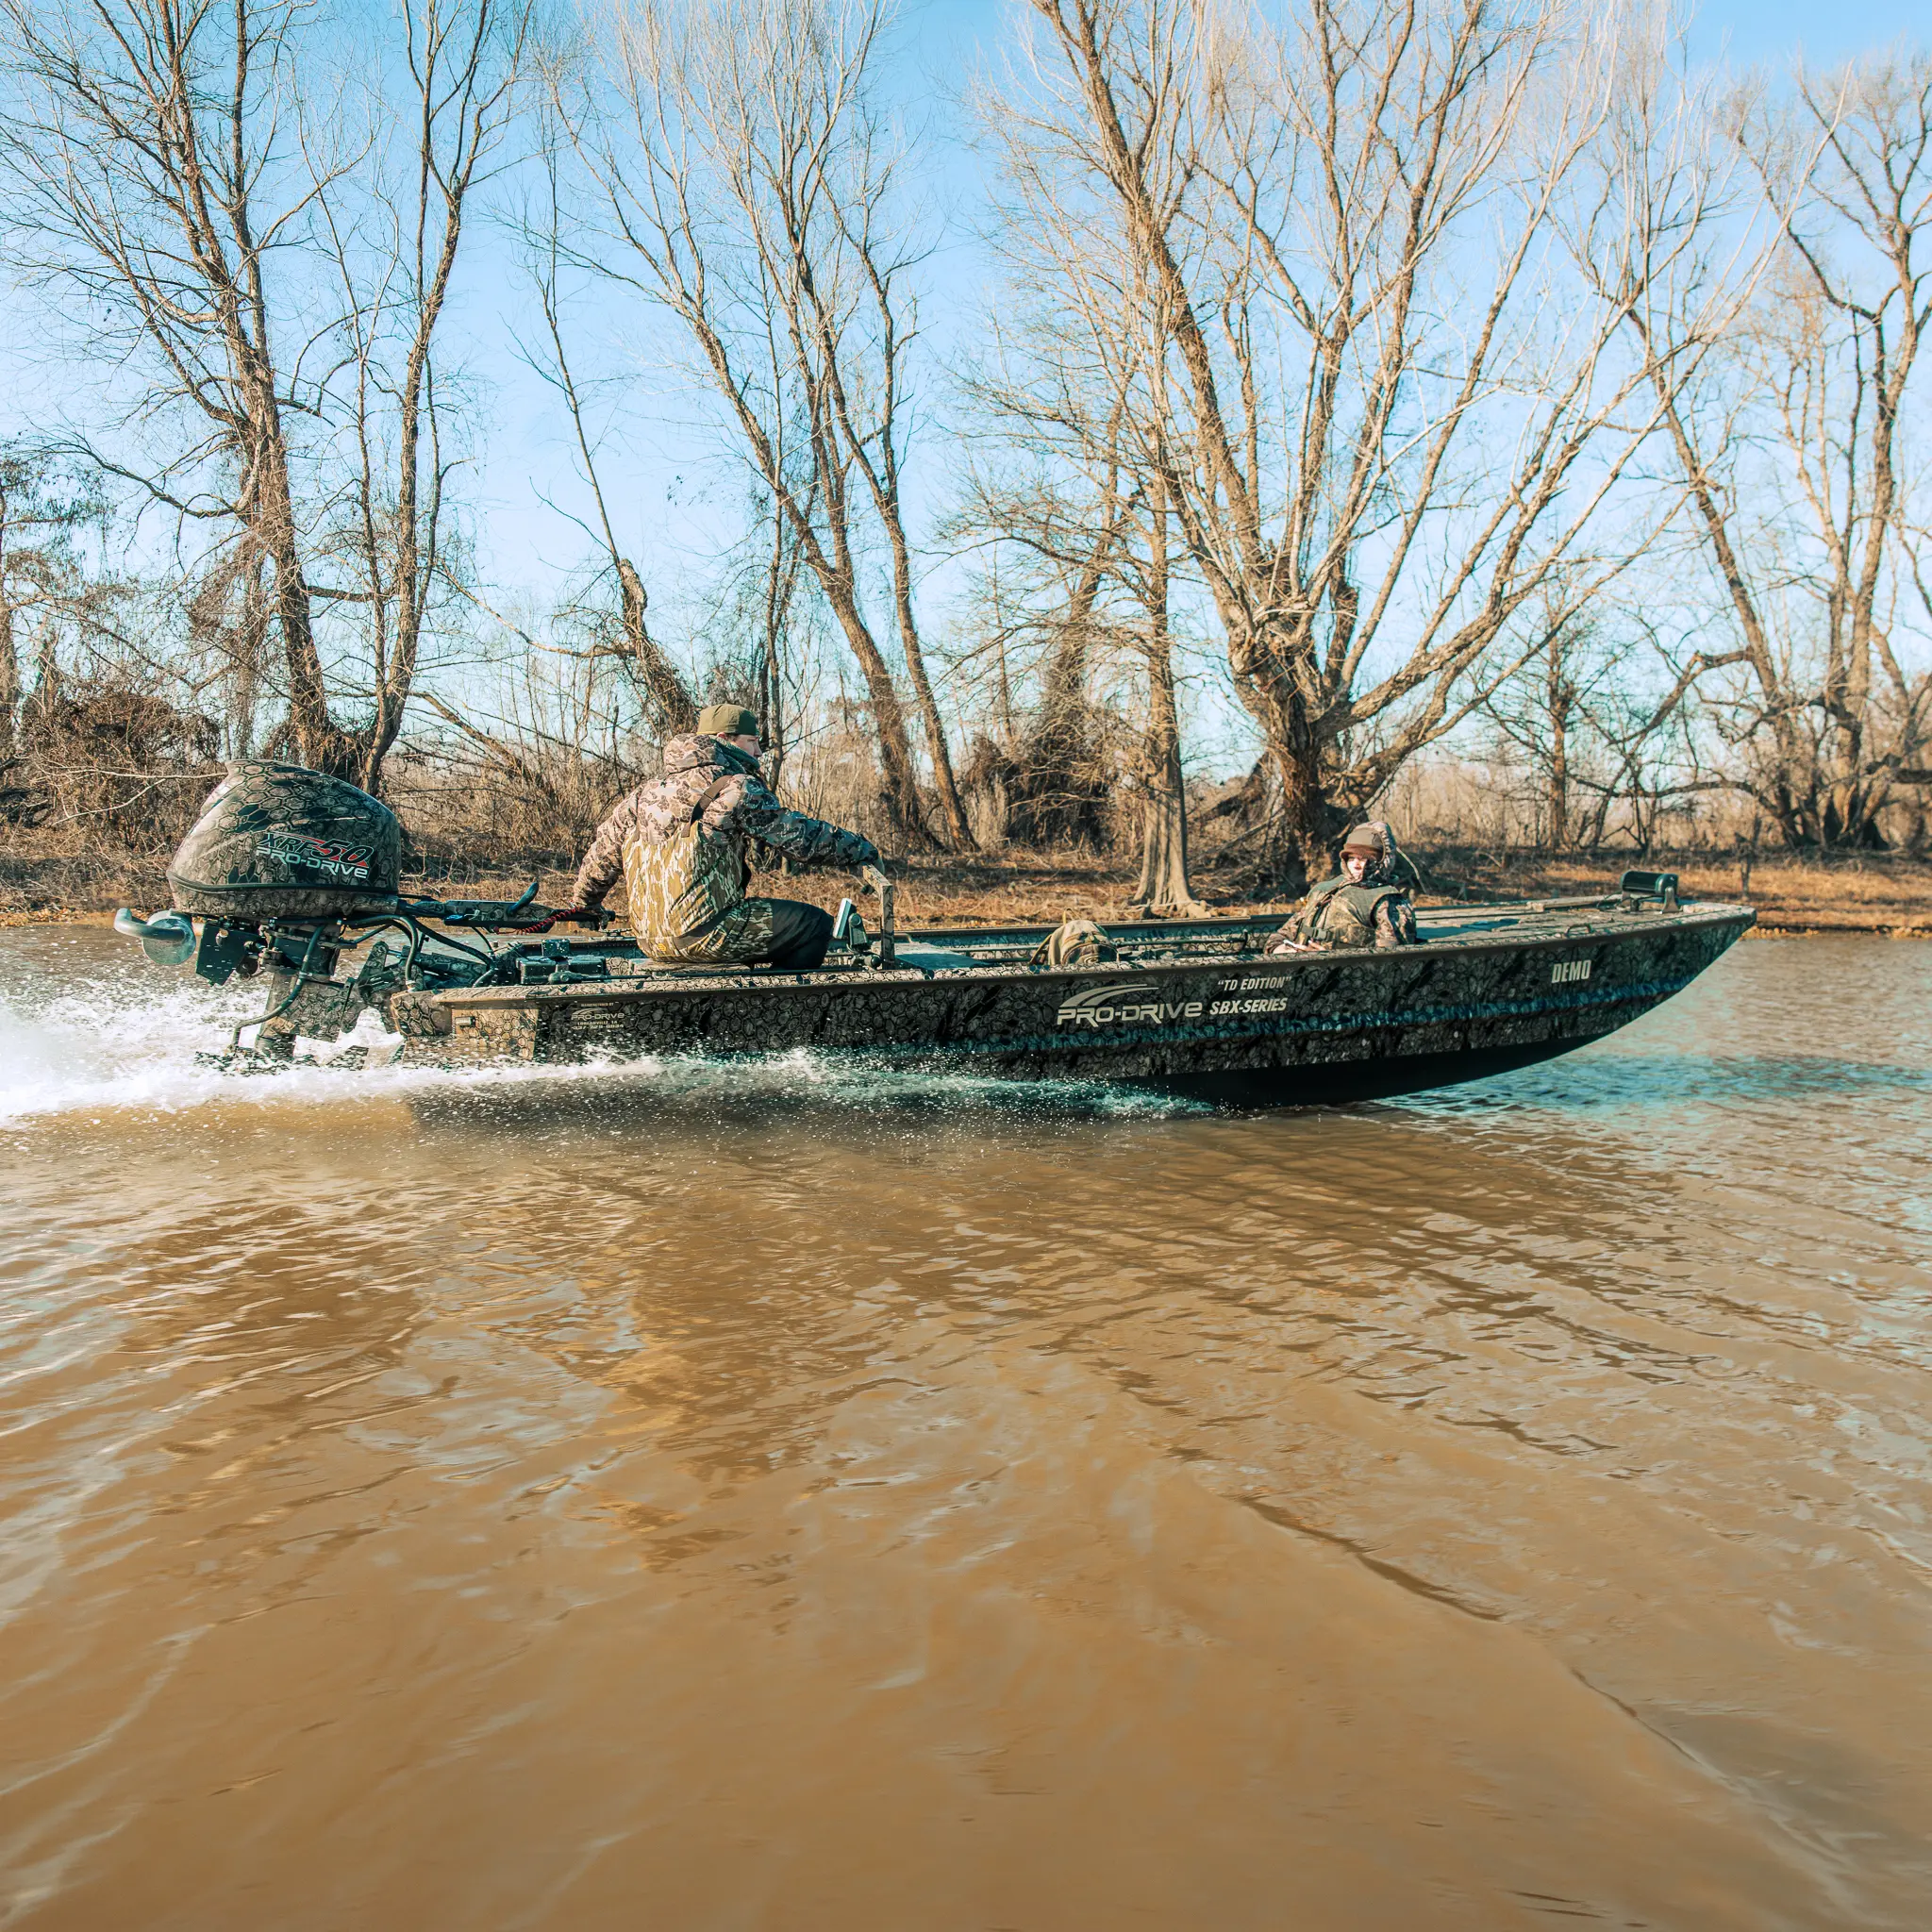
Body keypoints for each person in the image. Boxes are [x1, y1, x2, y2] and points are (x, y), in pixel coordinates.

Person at [558, 705, 880, 971]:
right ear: (725, 738)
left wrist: (584, 904)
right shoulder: (735, 787)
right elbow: (800, 839)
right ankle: (783, 1020)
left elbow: (601, 857)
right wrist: (862, 850)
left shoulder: (644, 794)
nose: (758, 751)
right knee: (812, 925)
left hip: (650, 940)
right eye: (752, 741)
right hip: (706, 933)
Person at [1264, 822, 1422, 954]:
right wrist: (1281, 950)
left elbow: (1391, 964)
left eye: (1365, 859)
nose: (1356, 864)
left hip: (1343, 983)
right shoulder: (1323, 890)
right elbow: (1281, 935)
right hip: (1297, 971)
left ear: (1381, 861)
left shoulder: (1388, 901)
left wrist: (1329, 959)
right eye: (1351, 858)